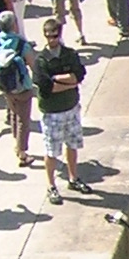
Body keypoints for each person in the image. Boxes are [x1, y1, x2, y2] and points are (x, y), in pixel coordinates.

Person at [31, 16, 87, 202]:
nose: (51, 39)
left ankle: (73, 177)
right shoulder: (40, 60)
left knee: (72, 145)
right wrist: (69, 82)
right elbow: (46, 88)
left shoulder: (70, 54)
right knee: (52, 151)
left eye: (54, 36)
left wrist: (59, 80)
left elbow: (79, 75)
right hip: (51, 112)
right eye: (48, 36)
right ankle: (51, 186)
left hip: (71, 107)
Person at [0, 13, 36, 166]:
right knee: (24, 119)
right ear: (14, 25)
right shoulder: (21, 44)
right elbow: (33, 65)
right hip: (22, 87)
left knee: (14, 114)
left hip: (5, 87)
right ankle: (22, 153)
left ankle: (16, 144)